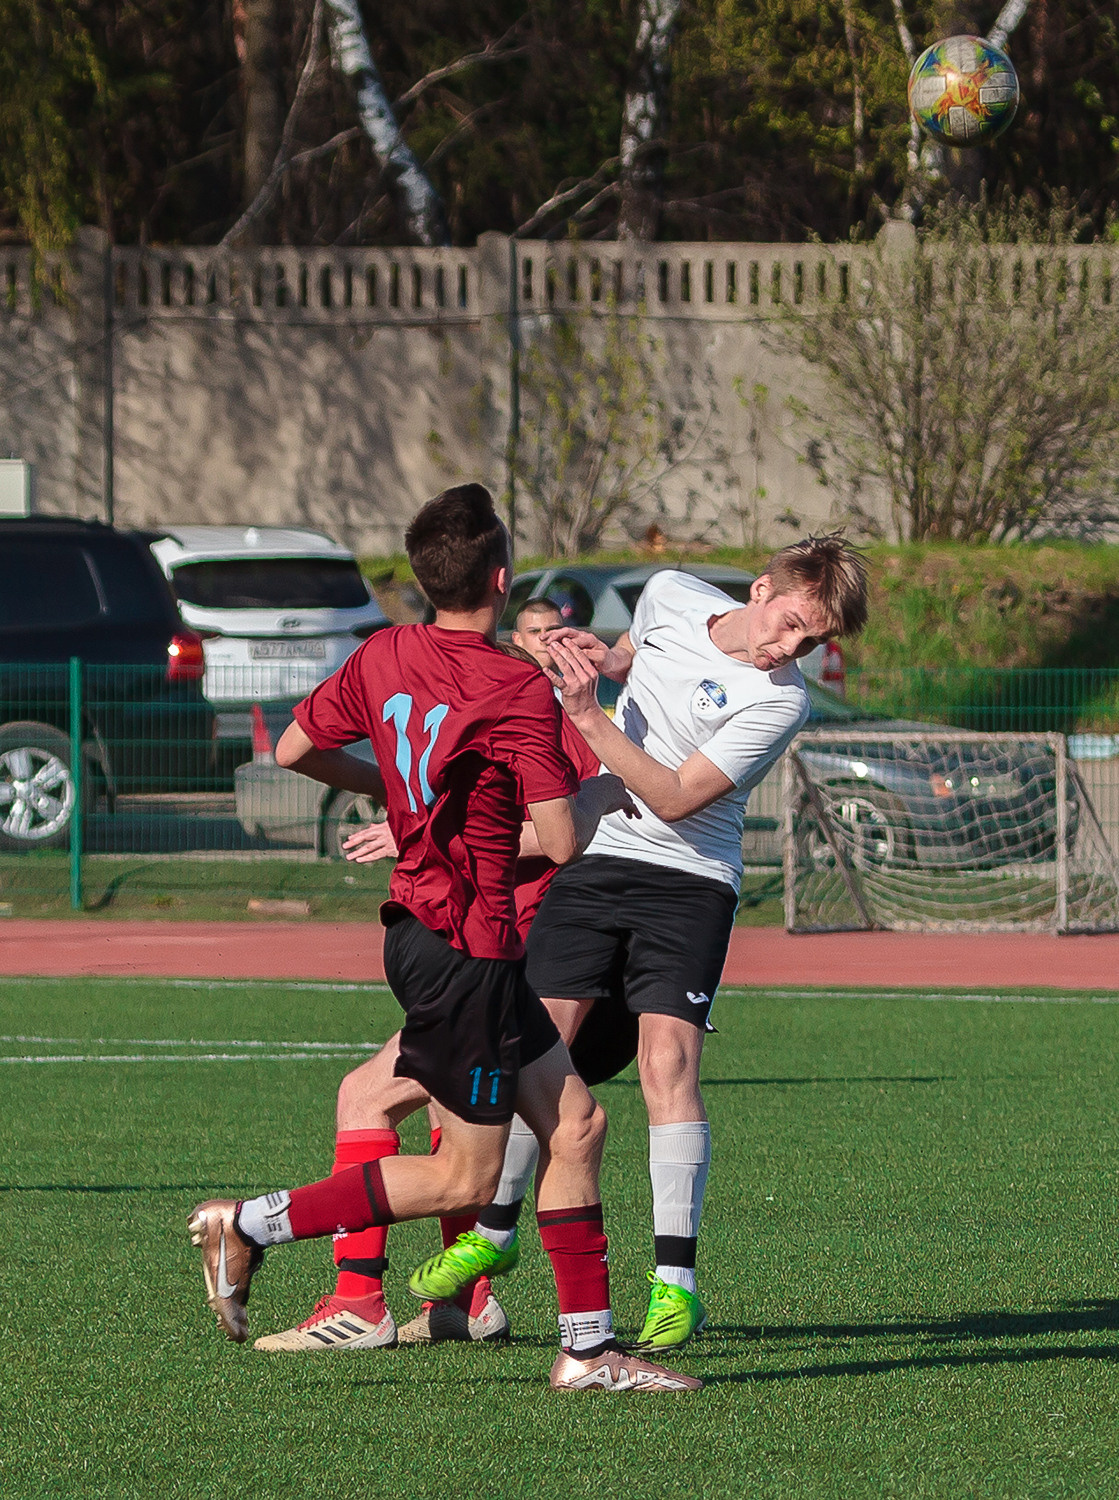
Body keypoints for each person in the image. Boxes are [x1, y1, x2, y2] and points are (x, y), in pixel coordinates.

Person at [186, 484, 701, 1393]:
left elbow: (294, 751)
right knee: (466, 1177)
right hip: (466, 942)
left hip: (437, 937)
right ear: (501, 579)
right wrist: (607, 788)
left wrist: (400, 799)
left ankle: (587, 1353)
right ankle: (250, 1224)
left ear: (425, 580)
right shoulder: (514, 687)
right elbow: (563, 839)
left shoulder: (384, 651)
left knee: (576, 1126)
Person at [419, 537, 868, 1353]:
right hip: (599, 856)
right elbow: (632, 652)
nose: (790, 648)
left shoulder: (780, 702)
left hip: (690, 881)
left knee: (666, 1065)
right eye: (790, 623)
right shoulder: (668, 591)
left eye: (812, 641)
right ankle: (495, 1230)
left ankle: (674, 1285)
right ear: (760, 588)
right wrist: (603, 658)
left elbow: (672, 796)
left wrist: (585, 712)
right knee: (536, 1048)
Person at [249, 596, 604, 1354]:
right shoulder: (493, 691)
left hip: (491, 942)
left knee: (452, 1146)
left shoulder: (533, 705)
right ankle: (520, 1324)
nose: (545, 646)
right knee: (561, 1125)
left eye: (558, 635)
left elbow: (563, 831)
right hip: (470, 941)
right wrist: (417, 820)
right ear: (505, 611)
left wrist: (425, 831)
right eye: (534, 634)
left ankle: (269, 1238)